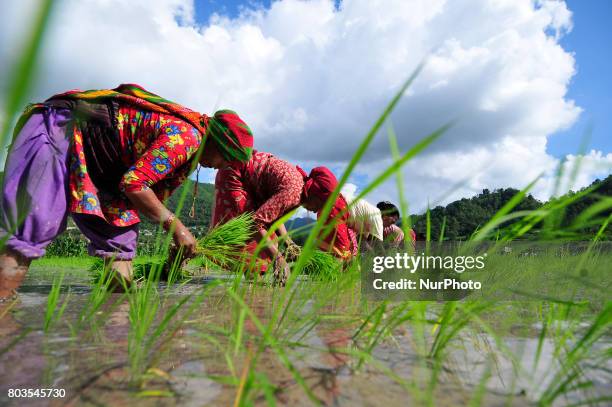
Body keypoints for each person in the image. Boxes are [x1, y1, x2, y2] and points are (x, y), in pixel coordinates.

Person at [0, 84, 253, 299]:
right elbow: (135, 184)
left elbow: (132, 184)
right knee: (32, 222)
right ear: (217, 144)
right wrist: (179, 229)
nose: (220, 167)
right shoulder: (188, 138)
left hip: (103, 168)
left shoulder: (191, 145)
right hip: (61, 129)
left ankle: (117, 337)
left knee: (120, 244)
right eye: (225, 159)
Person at [299, 167, 357, 260]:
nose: (310, 210)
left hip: (345, 251)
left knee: (341, 255)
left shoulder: (333, 211)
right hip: (340, 249)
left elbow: (340, 247)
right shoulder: (324, 210)